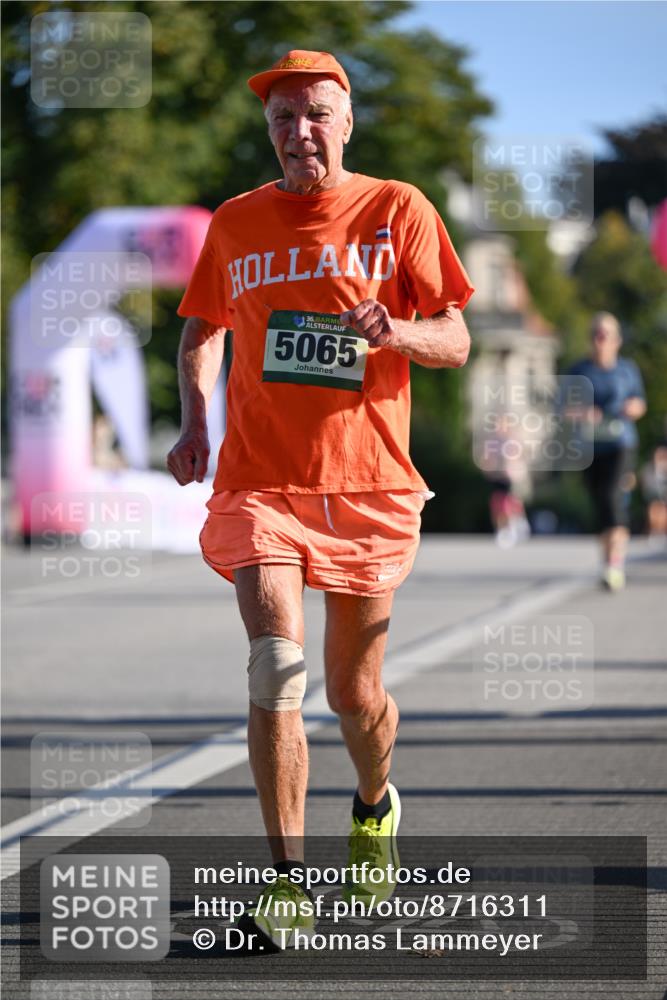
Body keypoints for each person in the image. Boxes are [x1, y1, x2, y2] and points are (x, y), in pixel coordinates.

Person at [167, 49, 473, 950]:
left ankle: (374, 804)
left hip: (369, 483)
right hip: (262, 481)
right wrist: (195, 423)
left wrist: (398, 330)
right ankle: (286, 881)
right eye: (282, 118)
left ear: (346, 124)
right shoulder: (236, 222)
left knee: (355, 693)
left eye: (314, 116)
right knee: (275, 669)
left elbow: (455, 337)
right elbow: (200, 333)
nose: (297, 132)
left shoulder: (397, 209)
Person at [568, 312, 646, 591]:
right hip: (590, 447)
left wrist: (630, 408)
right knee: (601, 503)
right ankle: (609, 562)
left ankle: (615, 563)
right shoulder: (579, 371)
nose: (601, 341)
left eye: (606, 335)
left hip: (621, 443)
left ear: (617, 340)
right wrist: (583, 414)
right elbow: (563, 407)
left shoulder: (627, 370)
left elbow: (640, 403)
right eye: (596, 335)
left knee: (613, 497)